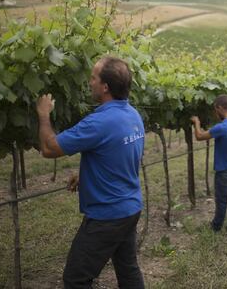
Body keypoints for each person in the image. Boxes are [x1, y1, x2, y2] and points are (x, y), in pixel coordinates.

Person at [36, 56, 145, 288]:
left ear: (105, 86)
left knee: (76, 279)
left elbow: (48, 148)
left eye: (93, 77)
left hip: (108, 216)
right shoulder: (133, 115)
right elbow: (118, 156)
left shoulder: (98, 122)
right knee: (128, 271)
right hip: (130, 207)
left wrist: (44, 114)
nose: (89, 82)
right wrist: (87, 174)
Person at [190, 94, 227, 232]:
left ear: (220, 108)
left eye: (215, 110)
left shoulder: (222, 128)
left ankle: (216, 227)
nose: (215, 113)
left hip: (225, 171)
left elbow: (199, 136)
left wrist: (196, 122)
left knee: (221, 201)